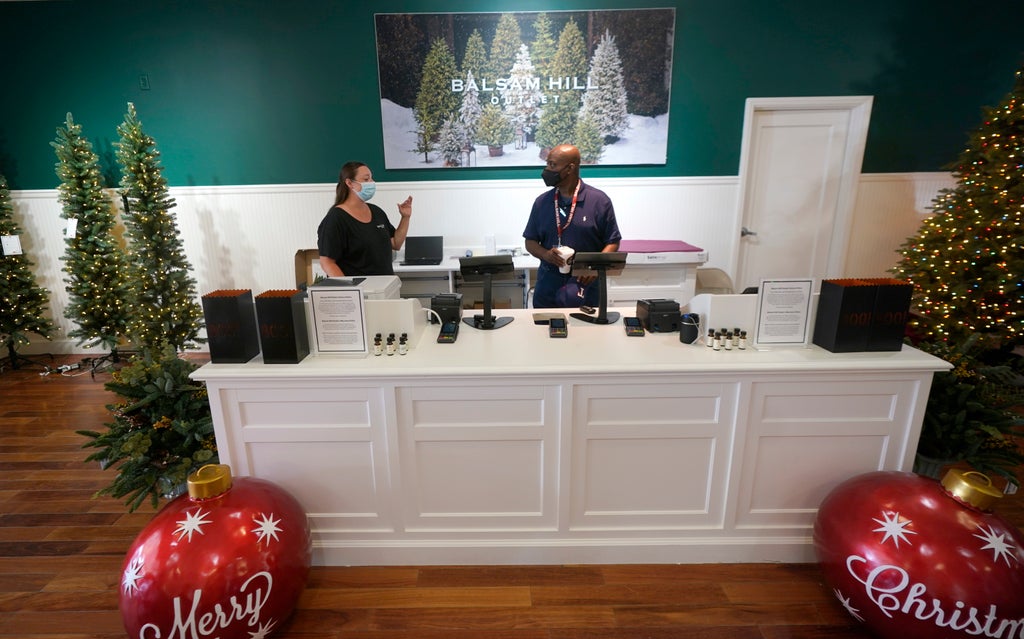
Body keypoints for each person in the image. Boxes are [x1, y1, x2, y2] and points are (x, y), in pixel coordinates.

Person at [522, 144, 621, 308]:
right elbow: (530, 242)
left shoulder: (599, 201)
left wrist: (594, 268)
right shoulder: (542, 202)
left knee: (585, 325)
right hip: (548, 287)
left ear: (570, 168)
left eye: (552, 165)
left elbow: (613, 242)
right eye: (547, 164)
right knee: (544, 324)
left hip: (585, 287)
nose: (547, 170)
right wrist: (546, 255)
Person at [317, 161, 413, 277]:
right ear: (349, 183)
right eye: (366, 179)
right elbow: (327, 262)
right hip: (359, 287)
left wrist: (405, 217)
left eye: (372, 178)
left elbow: (395, 243)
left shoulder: (376, 211)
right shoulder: (336, 218)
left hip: (384, 285)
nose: (372, 183)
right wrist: (348, 287)